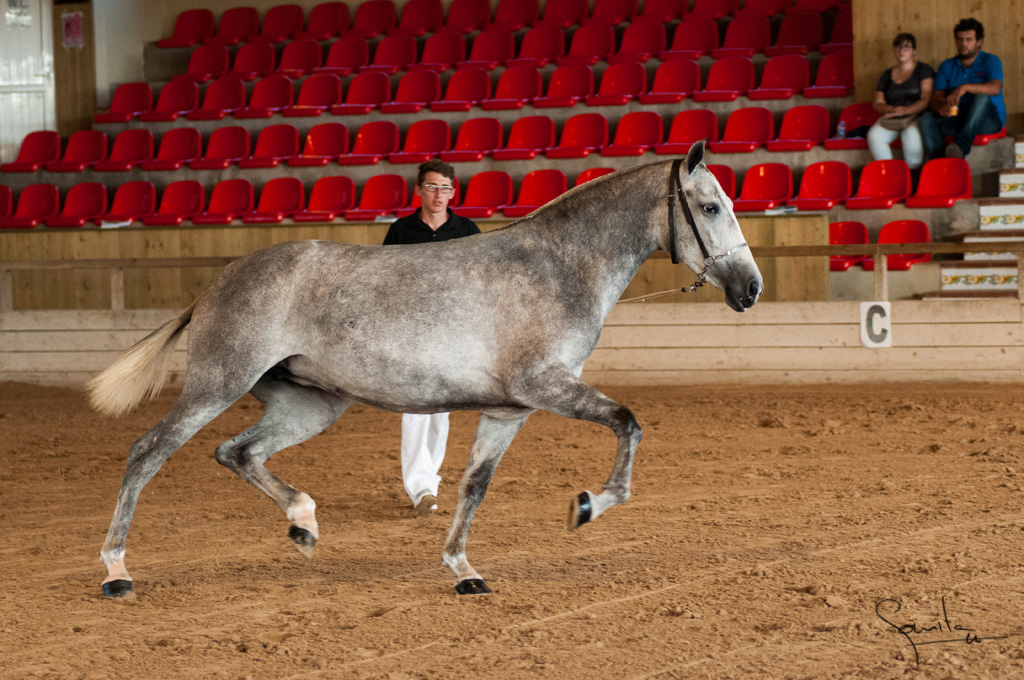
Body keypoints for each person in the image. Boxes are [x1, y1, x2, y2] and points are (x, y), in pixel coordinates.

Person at [381, 160, 481, 516]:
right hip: (411, 333)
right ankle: (420, 487)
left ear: (454, 192)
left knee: (440, 414)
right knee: (414, 410)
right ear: (419, 190)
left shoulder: (467, 229)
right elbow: (385, 282)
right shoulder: (400, 231)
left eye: (446, 188)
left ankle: (428, 482)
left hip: (452, 334)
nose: (439, 194)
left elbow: (481, 282)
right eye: (432, 187)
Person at [919, 17, 1005, 161]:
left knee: (982, 97)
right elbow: (936, 97)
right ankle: (939, 163)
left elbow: (995, 88)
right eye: (960, 39)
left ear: (979, 42)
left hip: (987, 121)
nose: (963, 43)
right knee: (927, 118)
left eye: (968, 39)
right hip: (958, 119)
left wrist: (964, 88)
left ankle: (960, 147)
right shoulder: (946, 66)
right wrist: (941, 107)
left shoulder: (991, 60)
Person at [867, 33, 934, 169]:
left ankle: (912, 173)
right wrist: (893, 110)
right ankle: (888, 173)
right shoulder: (886, 75)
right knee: (874, 135)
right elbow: (878, 103)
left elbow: (925, 100)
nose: (901, 51)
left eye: (906, 47)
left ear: (913, 51)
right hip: (893, 116)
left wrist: (905, 110)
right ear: (894, 50)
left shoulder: (923, 70)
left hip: (917, 115)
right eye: (898, 47)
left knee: (910, 134)